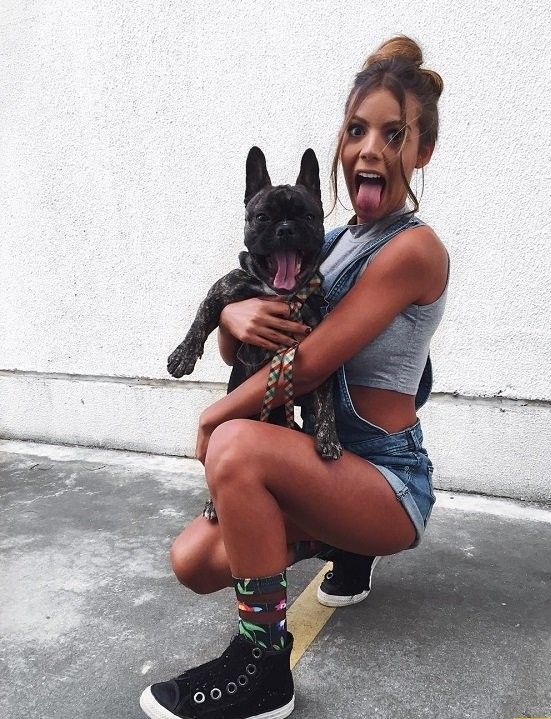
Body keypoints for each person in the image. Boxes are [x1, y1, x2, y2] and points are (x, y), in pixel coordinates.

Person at [140, 34, 448, 719]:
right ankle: (343, 544)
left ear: (423, 152)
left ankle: (262, 667)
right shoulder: (325, 243)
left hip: (385, 481)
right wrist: (235, 313)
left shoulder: (414, 250)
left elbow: (309, 362)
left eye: (394, 134)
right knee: (193, 559)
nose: (369, 148)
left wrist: (215, 416)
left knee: (234, 444)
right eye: (356, 130)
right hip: (322, 466)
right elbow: (240, 346)